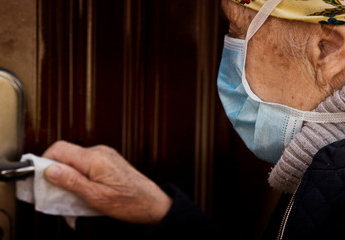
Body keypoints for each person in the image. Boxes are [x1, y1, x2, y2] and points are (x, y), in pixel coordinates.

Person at [42, 0, 345, 237]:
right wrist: (158, 211)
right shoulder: (326, 170)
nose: (230, 48)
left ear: (328, 50)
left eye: (236, 28)